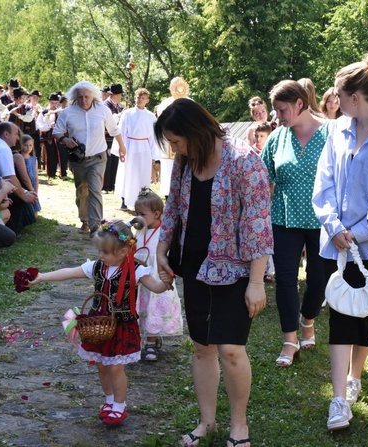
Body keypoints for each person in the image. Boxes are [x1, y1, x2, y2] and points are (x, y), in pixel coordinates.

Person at [155, 98, 272, 447]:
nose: (175, 149)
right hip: (194, 266)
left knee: (232, 350)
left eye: (177, 141)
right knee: (202, 347)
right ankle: (207, 422)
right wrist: (161, 248)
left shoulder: (244, 161)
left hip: (235, 273)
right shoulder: (185, 162)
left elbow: (258, 227)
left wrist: (255, 283)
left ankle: (239, 426)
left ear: (195, 131)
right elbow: (173, 206)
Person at [312, 51, 368, 431]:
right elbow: (324, 183)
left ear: (355, 98)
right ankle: (337, 401)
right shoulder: (335, 131)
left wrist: (361, 233)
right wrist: (334, 227)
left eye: (338, 94)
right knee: (340, 318)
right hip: (336, 244)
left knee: (364, 316)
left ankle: (355, 378)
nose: (334, 100)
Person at [25, 218, 170, 425]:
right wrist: (43, 276)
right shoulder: (98, 267)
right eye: (99, 251)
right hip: (98, 325)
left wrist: (165, 282)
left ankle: (120, 405)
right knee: (102, 366)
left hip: (121, 326)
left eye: (105, 252)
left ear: (123, 251)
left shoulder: (136, 270)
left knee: (115, 367)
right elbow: (70, 272)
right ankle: (109, 400)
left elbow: (156, 287)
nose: (100, 255)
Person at [260, 80, 328, 367]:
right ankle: (290, 340)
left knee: (319, 280)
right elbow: (264, 179)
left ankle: (308, 320)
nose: (277, 116)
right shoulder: (277, 138)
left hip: (323, 220)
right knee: (286, 280)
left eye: (282, 109)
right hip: (284, 219)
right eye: (274, 110)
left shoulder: (329, 134)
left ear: (300, 103)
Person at [53, 81, 127, 236]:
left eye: (87, 96)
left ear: (93, 96)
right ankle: (85, 220)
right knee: (82, 190)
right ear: (75, 97)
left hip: (98, 157)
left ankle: (95, 225)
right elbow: (57, 132)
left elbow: (114, 129)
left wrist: (122, 146)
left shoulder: (102, 110)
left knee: (95, 189)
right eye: (80, 97)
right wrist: (65, 140)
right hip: (78, 159)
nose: (84, 100)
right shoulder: (68, 112)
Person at [134, 187, 183, 361]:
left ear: (156, 214)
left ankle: (151, 342)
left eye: (142, 214)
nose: (138, 217)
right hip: (140, 280)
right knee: (140, 307)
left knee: (153, 307)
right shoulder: (139, 230)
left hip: (156, 278)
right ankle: (137, 339)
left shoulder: (164, 232)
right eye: (136, 213)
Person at [0, 122, 38, 234]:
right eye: (15, 134)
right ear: (6, 134)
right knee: (21, 200)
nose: (18, 137)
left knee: (21, 192)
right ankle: (10, 230)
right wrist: (25, 195)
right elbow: (10, 178)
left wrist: (25, 192)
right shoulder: (3, 149)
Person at [113, 88, 160, 209]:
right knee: (127, 173)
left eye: (143, 98)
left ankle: (141, 200)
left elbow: (154, 138)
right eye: (138, 97)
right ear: (135, 98)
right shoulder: (127, 113)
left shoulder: (151, 117)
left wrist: (154, 156)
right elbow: (121, 131)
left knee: (142, 174)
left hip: (144, 148)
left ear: (147, 100)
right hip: (129, 145)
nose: (140, 100)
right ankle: (124, 200)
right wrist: (121, 148)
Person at [103, 83, 125, 197]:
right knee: (107, 162)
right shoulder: (106, 105)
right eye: (119, 94)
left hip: (114, 137)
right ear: (115, 95)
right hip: (106, 137)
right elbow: (108, 120)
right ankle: (105, 185)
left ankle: (111, 184)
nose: (120, 97)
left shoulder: (117, 105)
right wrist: (119, 116)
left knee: (114, 161)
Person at [20, 134, 41, 218]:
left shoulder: (33, 159)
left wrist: (36, 188)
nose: (28, 148)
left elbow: (36, 175)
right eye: (25, 145)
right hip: (23, 183)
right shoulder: (19, 157)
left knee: (34, 211)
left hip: (32, 182)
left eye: (30, 145)